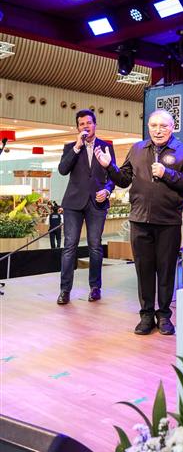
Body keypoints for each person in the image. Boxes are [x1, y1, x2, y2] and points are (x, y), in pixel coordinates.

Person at [95, 109, 183, 336]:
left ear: (172, 127)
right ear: (148, 127)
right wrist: (109, 166)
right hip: (139, 220)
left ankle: (164, 316)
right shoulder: (137, 149)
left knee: (166, 271)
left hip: (168, 222)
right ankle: (146, 315)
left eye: (163, 126)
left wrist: (166, 173)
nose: (158, 130)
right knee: (144, 271)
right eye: (154, 126)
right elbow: (123, 180)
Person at [57, 109, 115, 305]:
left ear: (95, 125)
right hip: (73, 203)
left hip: (97, 203)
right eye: (82, 124)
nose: (86, 126)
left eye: (89, 123)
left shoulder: (106, 146)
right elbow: (63, 170)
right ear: (77, 128)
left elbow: (113, 176)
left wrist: (107, 190)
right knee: (69, 245)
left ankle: (95, 288)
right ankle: (65, 290)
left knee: (95, 246)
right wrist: (77, 147)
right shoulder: (71, 147)